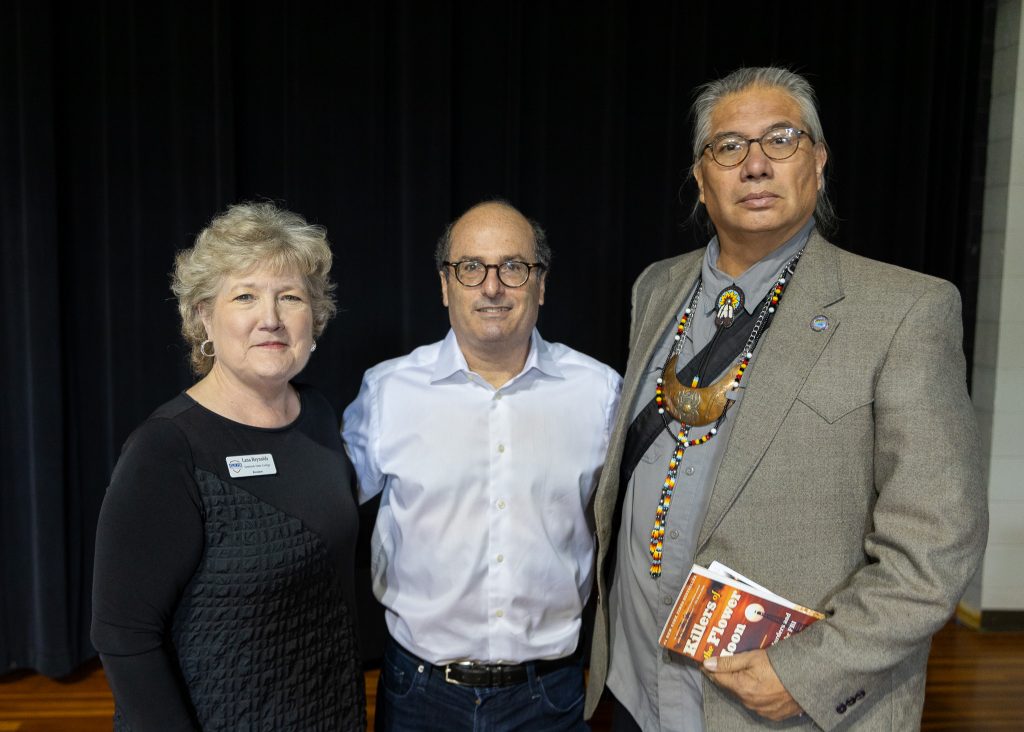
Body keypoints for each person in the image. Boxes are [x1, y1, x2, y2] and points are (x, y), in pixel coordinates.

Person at [585, 67, 988, 731]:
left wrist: (806, 674)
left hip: (777, 708)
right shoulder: (656, 289)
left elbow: (937, 545)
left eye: (780, 140)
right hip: (634, 686)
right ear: (700, 176)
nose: (754, 165)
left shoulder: (905, 310)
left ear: (819, 161)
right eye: (729, 147)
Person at [342, 199, 622, 731]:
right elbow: (322, 509)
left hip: (551, 695)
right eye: (471, 268)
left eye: (513, 267)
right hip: (419, 694)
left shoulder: (600, 393)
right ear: (446, 285)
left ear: (540, 284)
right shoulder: (388, 391)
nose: (491, 287)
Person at [91, 202, 365, 731]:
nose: (271, 318)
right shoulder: (167, 449)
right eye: (245, 296)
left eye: (290, 297)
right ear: (203, 318)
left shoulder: (321, 416)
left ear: (316, 317)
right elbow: (123, 635)